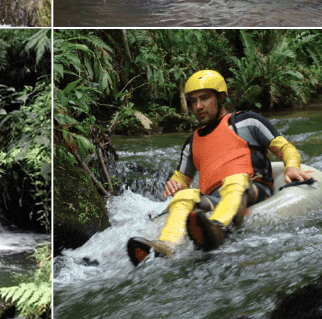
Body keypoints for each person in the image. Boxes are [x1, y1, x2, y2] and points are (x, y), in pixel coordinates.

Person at [127, 69, 313, 266]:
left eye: (204, 98)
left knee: (236, 181)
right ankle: (165, 246)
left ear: (221, 97)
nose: (198, 106)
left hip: (252, 188)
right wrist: (174, 183)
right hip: (216, 198)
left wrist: (291, 167)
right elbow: (181, 178)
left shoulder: (247, 121)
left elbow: (285, 147)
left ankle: (217, 229)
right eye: (193, 101)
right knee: (184, 196)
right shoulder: (192, 144)